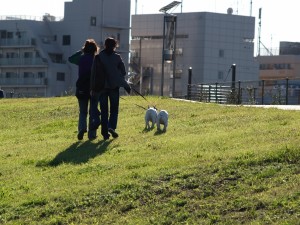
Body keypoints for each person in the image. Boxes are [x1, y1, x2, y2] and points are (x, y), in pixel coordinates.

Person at [90, 37, 131, 140]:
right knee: (114, 110)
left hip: (101, 88)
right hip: (114, 88)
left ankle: (105, 134)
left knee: (104, 111)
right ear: (114, 46)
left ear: (105, 45)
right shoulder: (117, 57)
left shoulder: (98, 57)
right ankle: (111, 127)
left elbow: (93, 73)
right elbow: (123, 72)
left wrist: (92, 88)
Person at [68, 39, 100, 140]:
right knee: (93, 112)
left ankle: (82, 128)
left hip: (81, 88)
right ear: (95, 49)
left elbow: (70, 59)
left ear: (85, 49)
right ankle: (92, 134)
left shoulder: (81, 59)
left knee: (82, 112)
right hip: (94, 88)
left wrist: (81, 51)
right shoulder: (96, 60)